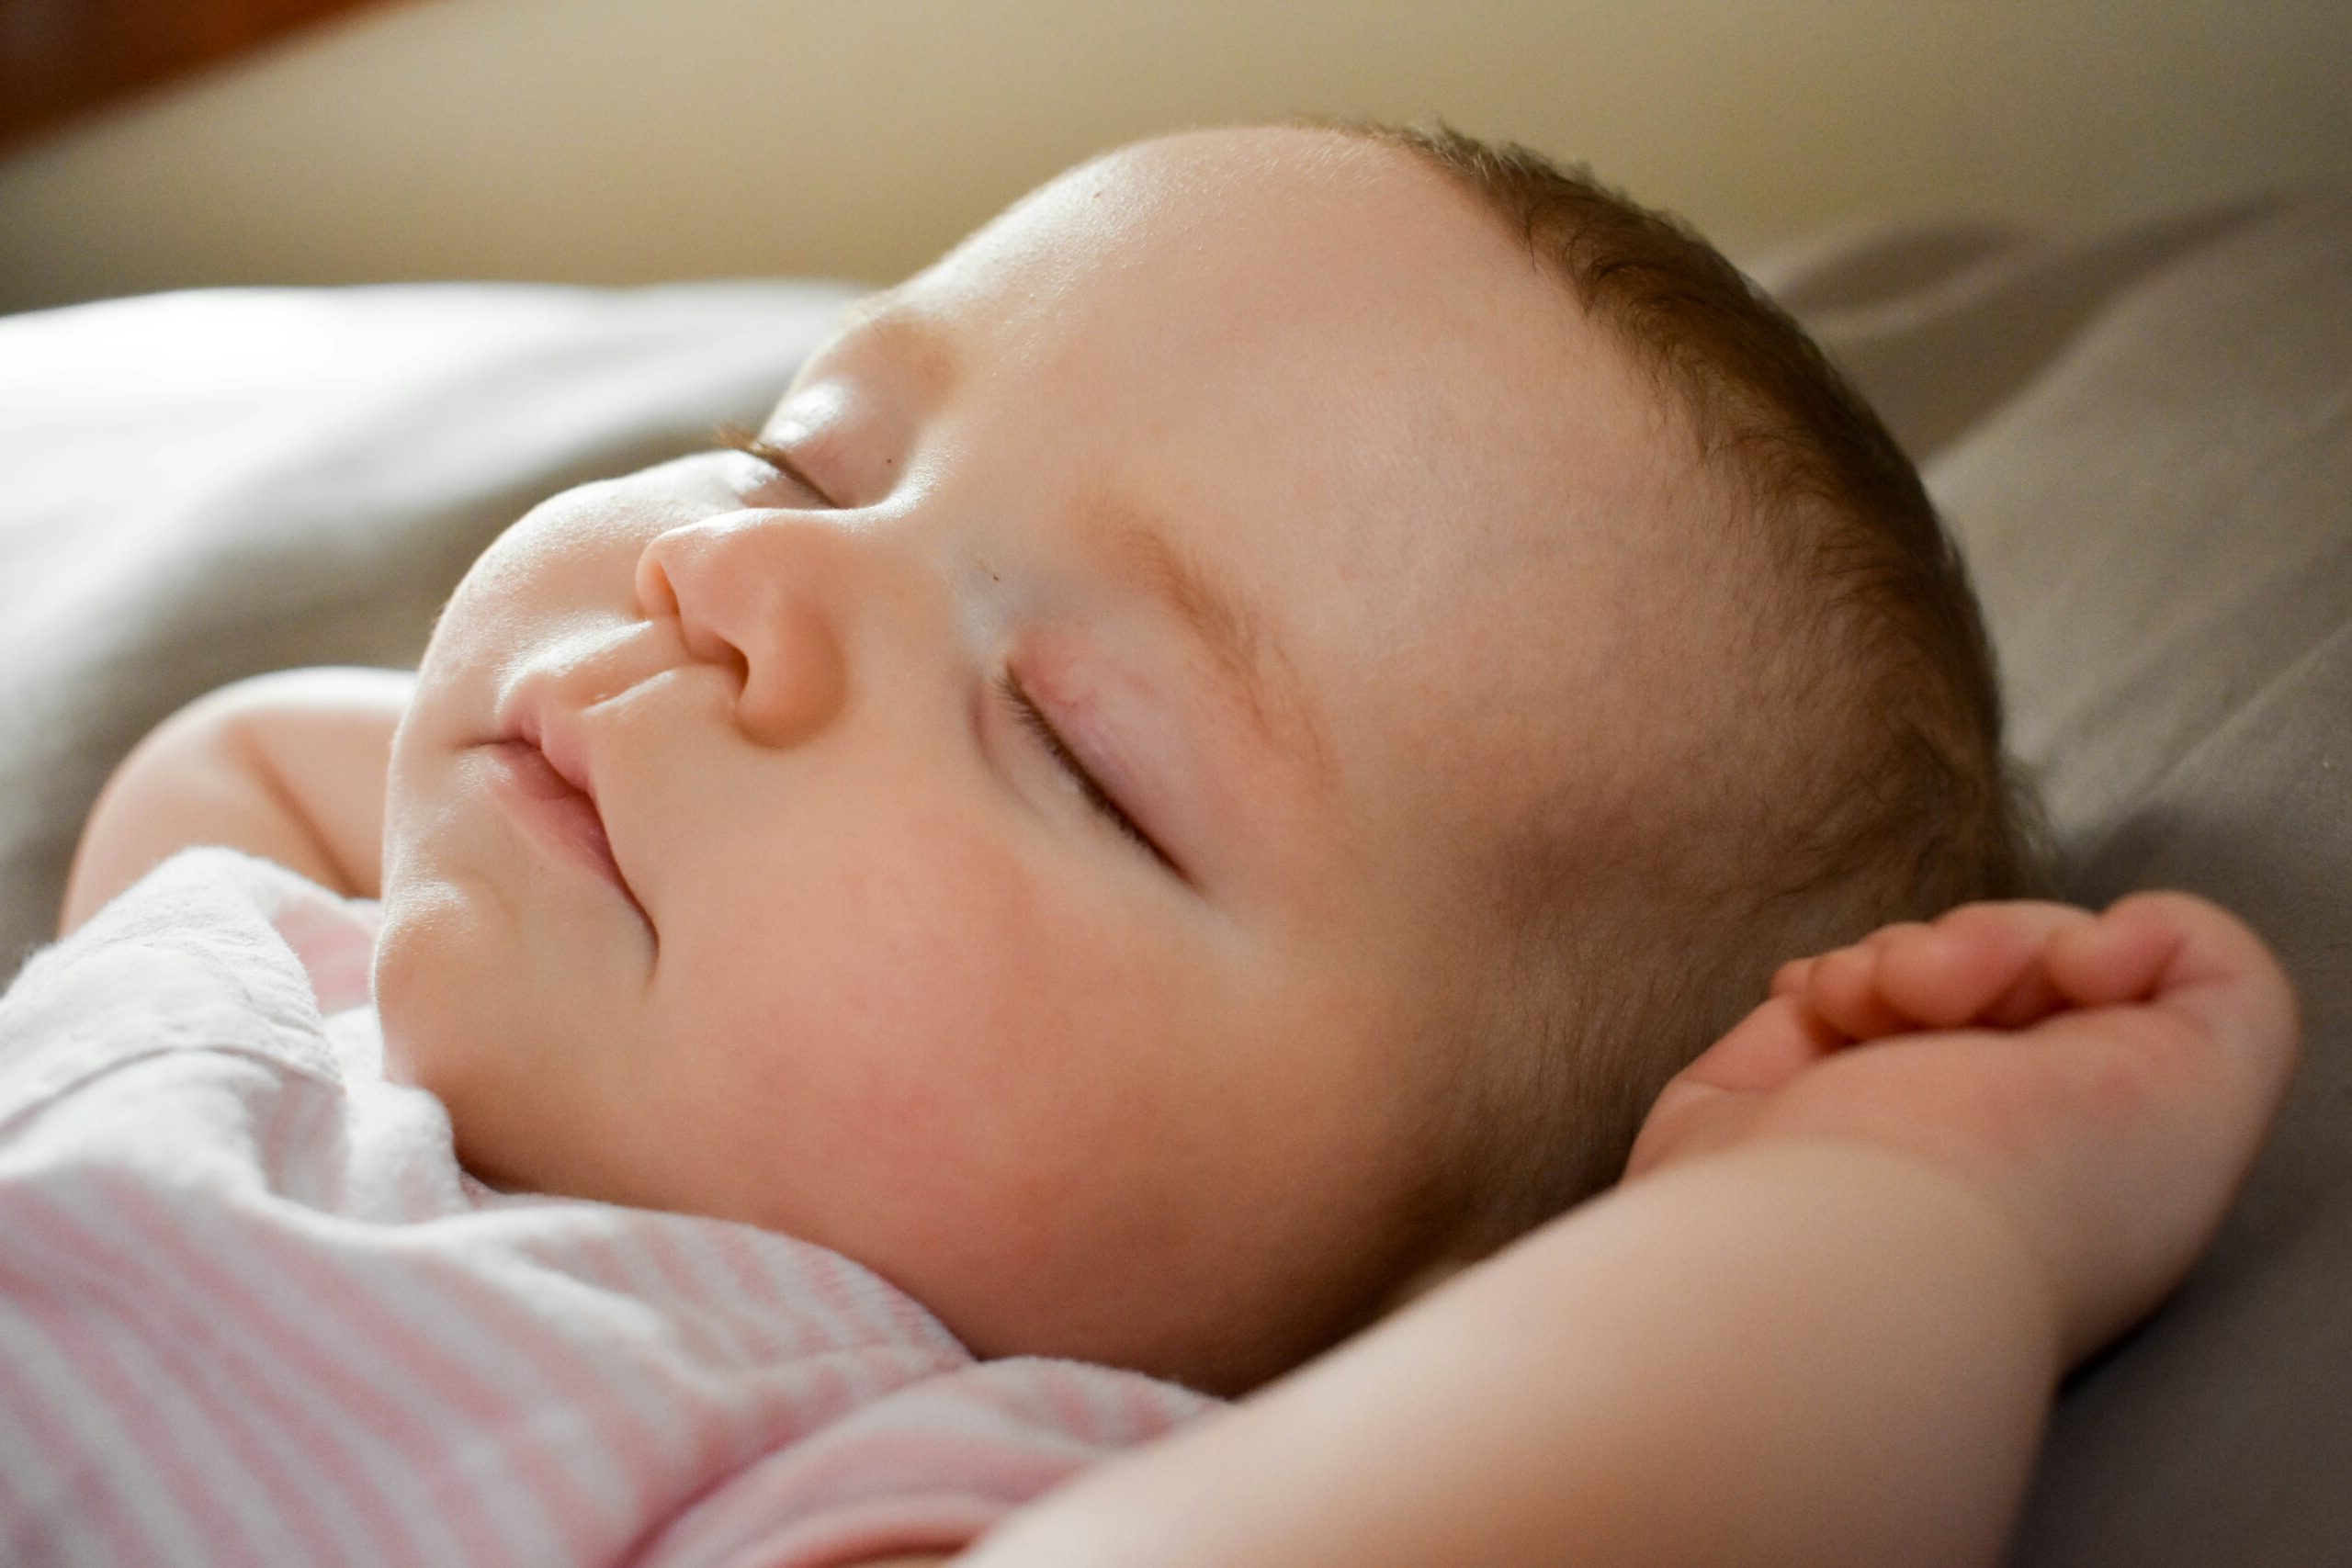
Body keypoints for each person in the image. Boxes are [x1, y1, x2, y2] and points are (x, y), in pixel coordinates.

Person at [14, 120, 2295, 1566]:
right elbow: (258, 775)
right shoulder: (301, 969)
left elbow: (1610, 1477)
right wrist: (520, 774)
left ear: (1432, 1314)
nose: (739, 582)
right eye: (804, 456)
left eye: (1073, 741)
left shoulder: (864, 1457)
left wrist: (1890, 1208)